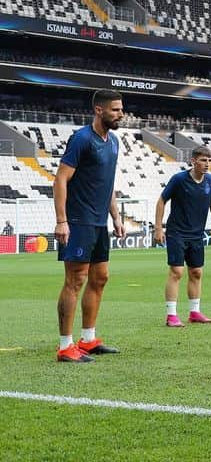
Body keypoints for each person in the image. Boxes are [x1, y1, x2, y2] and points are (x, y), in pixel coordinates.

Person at [54, 89, 125, 363]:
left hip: (100, 222)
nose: (121, 114)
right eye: (116, 110)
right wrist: (61, 220)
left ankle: (88, 339)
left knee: (100, 278)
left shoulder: (114, 141)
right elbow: (60, 179)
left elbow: (107, 184)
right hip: (79, 220)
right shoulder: (82, 139)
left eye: (121, 109)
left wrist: (116, 217)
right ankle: (65, 346)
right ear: (99, 110)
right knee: (75, 280)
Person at [153, 145, 211, 327]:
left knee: (196, 272)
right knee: (177, 271)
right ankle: (171, 315)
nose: (207, 164)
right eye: (203, 160)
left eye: (209, 160)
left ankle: (195, 312)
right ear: (193, 161)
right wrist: (158, 228)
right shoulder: (179, 179)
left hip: (196, 234)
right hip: (176, 232)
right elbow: (162, 200)